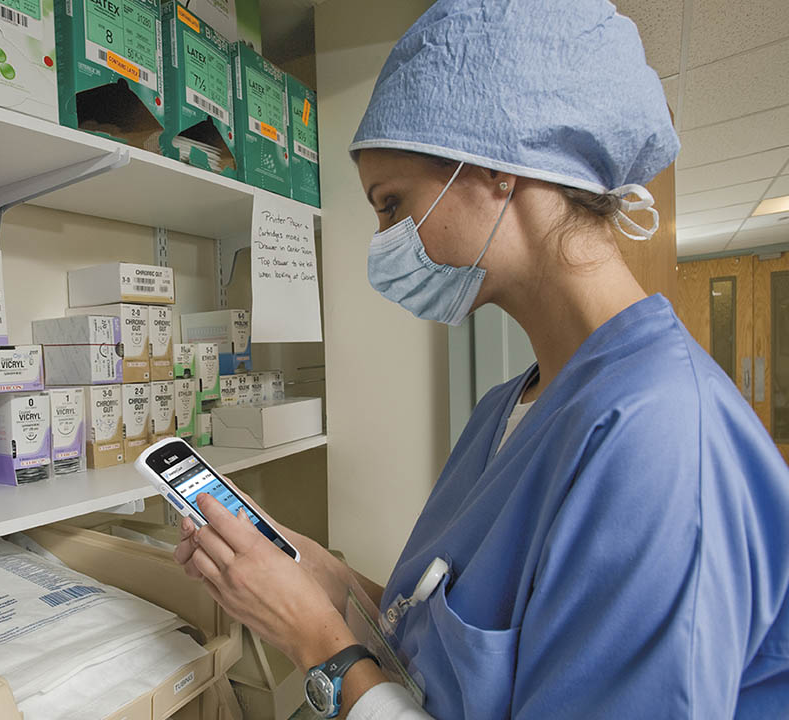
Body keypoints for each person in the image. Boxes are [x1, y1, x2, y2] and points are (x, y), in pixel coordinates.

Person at [173, 1, 789, 718]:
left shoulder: (664, 442)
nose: (384, 242)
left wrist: (317, 645)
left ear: (499, 167)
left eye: (392, 202)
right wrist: (324, 579)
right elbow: (441, 649)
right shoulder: (513, 406)